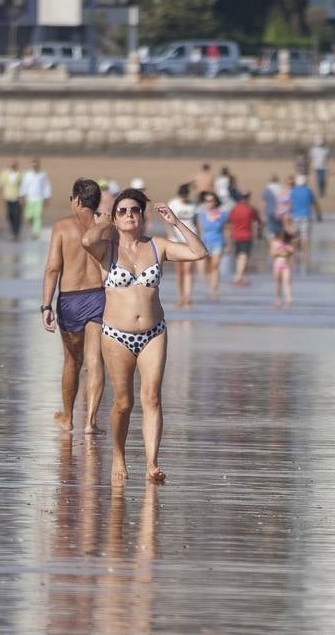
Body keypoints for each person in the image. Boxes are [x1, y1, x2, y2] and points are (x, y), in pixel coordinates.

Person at [80, 188, 208, 484]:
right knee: (123, 403)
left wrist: (176, 222)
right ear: (115, 217)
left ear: (143, 216)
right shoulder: (107, 249)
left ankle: (152, 463)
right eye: (123, 211)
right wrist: (105, 221)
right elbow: (87, 240)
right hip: (116, 335)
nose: (129, 215)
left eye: (134, 210)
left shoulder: (157, 245)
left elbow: (199, 252)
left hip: (153, 333)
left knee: (151, 397)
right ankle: (118, 456)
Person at [40, 178, 108, 434]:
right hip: (98, 296)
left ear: (77, 200)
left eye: (72, 198)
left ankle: (68, 417)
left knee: (72, 360)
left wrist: (46, 306)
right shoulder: (105, 227)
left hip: (70, 299)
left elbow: (52, 268)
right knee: (94, 360)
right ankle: (90, 422)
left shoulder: (62, 227)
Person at [166, 184, 198, 309]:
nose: (184, 197)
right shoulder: (173, 203)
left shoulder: (193, 205)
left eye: (186, 195)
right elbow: (168, 222)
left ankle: (188, 297)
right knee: (179, 271)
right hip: (177, 240)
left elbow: (196, 222)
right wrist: (171, 235)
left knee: (188, 270)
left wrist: (199, 238)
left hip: (190, 240)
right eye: (182, 195)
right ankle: (180, 297)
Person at [195, 191, 227, 299]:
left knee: (215, 266)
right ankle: (209, 286)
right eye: (206, 201)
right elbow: (199, 231)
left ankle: (213, 289)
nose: (209, 203)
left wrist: (228, 244)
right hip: (206, 243)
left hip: (218, 242)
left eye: (211, 200)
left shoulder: (222, 215)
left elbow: (226, 230)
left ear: (215, 201)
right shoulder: (201, 215)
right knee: (209, 267)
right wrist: (198, 245)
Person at [226, 191, 260, 286]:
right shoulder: (250, 209)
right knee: (244, 256)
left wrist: (229, 238)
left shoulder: (234, 209)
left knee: (239, 257)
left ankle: (243, 277)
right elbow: (258, 221)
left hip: (236, 236)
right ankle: (238, 277)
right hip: (246, 236)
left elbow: (229, 223)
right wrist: (259, 233)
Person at [288, 175, 321, 267]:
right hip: (306, 216)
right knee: (305, 236)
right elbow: (314, 203)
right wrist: (318, 214)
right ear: (305, 182)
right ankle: (305, 254)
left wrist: (288, 215)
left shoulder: (293, 191)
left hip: (295, 216)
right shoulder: (308, 191)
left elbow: (290, 203)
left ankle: (294, 253)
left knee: (295, 236)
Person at [20, 158, 52, 239]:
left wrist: (47, 197)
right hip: (29, 199)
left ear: (38, 164)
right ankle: (34, 228)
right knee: (29, 216)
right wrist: (22, 196)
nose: (34, 165)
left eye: (36, 163)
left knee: (38, 216)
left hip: (39, 199)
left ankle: (35, 233)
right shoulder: (27, 175)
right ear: (31, 165)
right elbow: (24, 186)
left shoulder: (43, 175)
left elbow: (46, 186)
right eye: (33, 163)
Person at [270, 224, 296, 309]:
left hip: (286, 265)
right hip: (277, 265)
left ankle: (289, 299)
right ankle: (278, 299)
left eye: (283, 238)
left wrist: (288, 250)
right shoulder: (274, 243)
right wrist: (279, 252)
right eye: (280, 238)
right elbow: (272, 254)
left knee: (287, 282)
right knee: (278, 283)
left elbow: (292, 251)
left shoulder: (288, 243)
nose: (281, 239)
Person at [0, 160, 23, 239]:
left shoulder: (20, 174)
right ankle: (13, 231)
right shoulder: (4, 174)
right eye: (12, 165)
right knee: (10, 215)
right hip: (8, 197)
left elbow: (23, 186)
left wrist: (22, 198)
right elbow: (1, 185)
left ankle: (16, 233)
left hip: (17, 197)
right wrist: (2, 196)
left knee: (17, 215)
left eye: (14, 165)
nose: (13, 166)